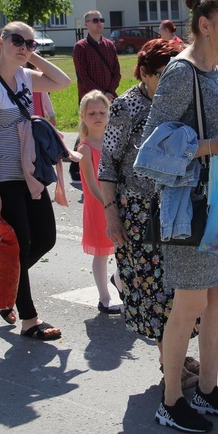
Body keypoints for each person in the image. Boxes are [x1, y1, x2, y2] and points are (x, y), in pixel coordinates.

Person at [140, 0, 218, 433]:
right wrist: (210, 146)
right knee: (188, 305)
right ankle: (170, 400)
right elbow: (153, 146)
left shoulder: (214, 71)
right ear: (204, 26)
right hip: (190, 207)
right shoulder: (180, 72)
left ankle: (207, 390)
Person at [99, 38, 201, 389]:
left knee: (181, 288)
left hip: (177, 206)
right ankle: (167, 362)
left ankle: (177, 354)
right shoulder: (125, 107)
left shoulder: (178, 103)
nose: (170, 82)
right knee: (155, 290)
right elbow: (107, 165)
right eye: (162, 74)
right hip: (138, 212)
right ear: (143, 72)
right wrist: (112, 214)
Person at [0, 21, 71, 339]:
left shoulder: (25, 77)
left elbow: (63, 81)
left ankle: (6, 286)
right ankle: (29, 320)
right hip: (0, 178)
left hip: (27, 174)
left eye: (30, 43)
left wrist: (31, 56)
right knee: (21, 244)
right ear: (0, 41)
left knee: (45, 237)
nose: (24, 47)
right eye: (17, 40)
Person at [76, 90, 122, 314]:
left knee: (124, 248)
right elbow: (92, 184)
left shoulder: (113, 141)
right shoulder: (84, 148)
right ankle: (104, 298)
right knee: (102, 252)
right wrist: (108, 203)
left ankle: (119, 280)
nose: (98, 116)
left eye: (102, 112)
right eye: (92, 112)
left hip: (118, 202)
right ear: (83, 116)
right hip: (99, 206)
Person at [72, 10, 121, 102]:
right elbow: (83, 77)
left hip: (110, 98)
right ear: (86, 24)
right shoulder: (81, 47)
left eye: (101, 20)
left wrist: (109, 92)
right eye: (95, 20)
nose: (99, 23)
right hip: (90, 99)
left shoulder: (110, 45)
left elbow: (117, 73)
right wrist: (102, 94)